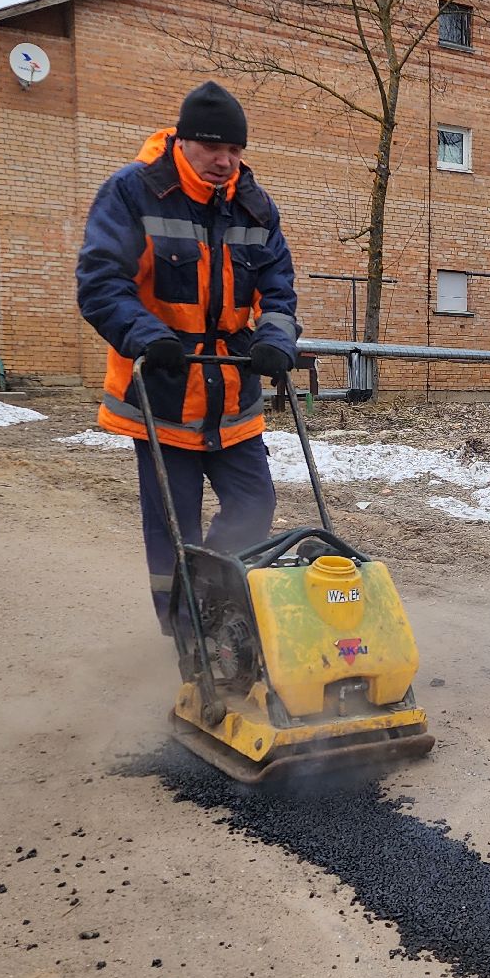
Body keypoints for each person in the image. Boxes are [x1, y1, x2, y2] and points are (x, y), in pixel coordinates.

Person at [76, 81, 301, 633]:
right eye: (212, 149)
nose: (225, 161)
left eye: (235, 151)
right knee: (174, 530)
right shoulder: (133, 192)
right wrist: (146, 335)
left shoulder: (254, 204)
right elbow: (102, 281)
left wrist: (274, 338)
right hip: (163, 386)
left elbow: (279, 284)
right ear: (183, 141)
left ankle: (216, 602)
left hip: (232, 391)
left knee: (255, 507)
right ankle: (183, 637)